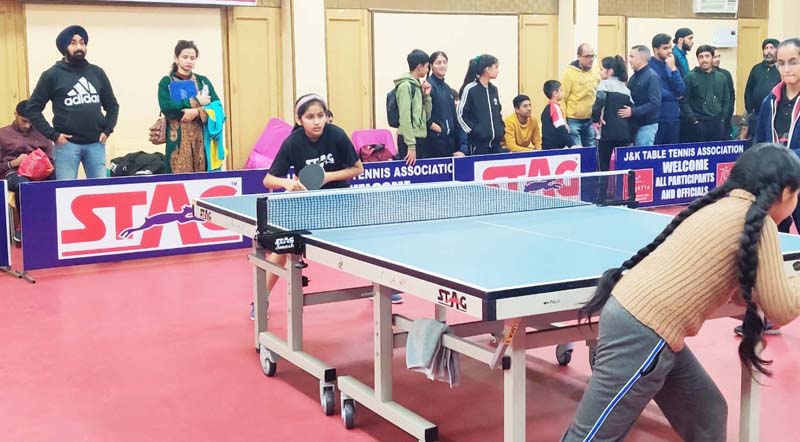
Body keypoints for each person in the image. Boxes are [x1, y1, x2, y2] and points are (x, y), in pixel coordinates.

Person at [562, 143, 800, 441]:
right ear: (787, 193)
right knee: (591, 437)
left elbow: (743, 294)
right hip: (643, 330)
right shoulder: (759, 223)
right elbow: (782, 308)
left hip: (643, 323)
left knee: (708, 412)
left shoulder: (723, 208)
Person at [26, 25, 119, 180]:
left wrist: (108, 129)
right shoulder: (52, 75)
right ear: (64, 47)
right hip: (67, 146)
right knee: (65, 193)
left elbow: (112, 105)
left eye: (82, 43)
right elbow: (32, 109)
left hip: (96, 144)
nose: (79, 47)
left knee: (101, 191)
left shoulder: (97, 73)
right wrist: (54, 135)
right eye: (73, 43)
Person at [158, 40, 221, 173]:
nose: (189, 61)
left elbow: (217, 106)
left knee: (202, 178)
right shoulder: (166, 82)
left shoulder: (202, 81)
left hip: (201, 137)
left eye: (192, 58)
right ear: (176, 58)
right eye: (185, 57)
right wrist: (194, 101)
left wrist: (197, 113)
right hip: (178, 138)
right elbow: (166, 107)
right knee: (177, 180)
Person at [0, 100, 55, 242]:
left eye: (30, 122)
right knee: (23, 184)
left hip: (39, 172)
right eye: (24, 121)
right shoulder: (2, 134)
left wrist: (45, 165)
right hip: (14, 173)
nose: (27, 125)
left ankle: (53, 224)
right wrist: (13, 163)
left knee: (58, 179)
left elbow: (51, 160)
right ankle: (24, 226)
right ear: (15, 114)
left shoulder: (42, 133)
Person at [457, 54, 505, 155]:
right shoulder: (470, 89)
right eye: (496, 67)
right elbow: (461, 114)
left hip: (495, 145)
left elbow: (498, 112)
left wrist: (501, 129)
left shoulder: (494, 90)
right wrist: (475, 131)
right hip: (478, 145)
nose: (498, 70)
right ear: (487, 69)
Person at [681, 45, 730, 142]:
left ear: (712, 58)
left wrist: (723, 118)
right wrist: (693, 120)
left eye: (707, 56)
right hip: (698, 123)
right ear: (698, 59)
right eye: (701, 57)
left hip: (717, 122)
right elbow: (684, 101)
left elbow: (727, 99)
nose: (704, 60)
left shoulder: (721, 77)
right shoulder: (690, 77)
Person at [592, 56, 632, 171]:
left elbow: (599, 101)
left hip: (606, 131)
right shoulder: (626, 89)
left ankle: (603, 189)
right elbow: (631, 106)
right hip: (624, 133)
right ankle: (622, 189)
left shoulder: (604, 84)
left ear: (610, 71)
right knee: (622, 168)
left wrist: (595, 119)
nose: (600, 72)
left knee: (602, 166)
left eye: (601, 69)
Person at [394, 49, 432, 165]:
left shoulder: (417, 86)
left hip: (420, 138)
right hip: (409, 140)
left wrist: (426, 96)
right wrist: (411, 146)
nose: (427, 70)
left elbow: (426, 116)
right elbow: (404, 117)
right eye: (426, 66)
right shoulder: (405, 86)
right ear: (420, 66)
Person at [425, 51, 466, 158]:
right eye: (438, 62)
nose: (442, 65)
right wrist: (440, 129)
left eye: (444, 62)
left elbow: (453, 116)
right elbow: (423, 115)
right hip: (433, 143)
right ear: (431, 66)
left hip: (449, 143)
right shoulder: (428, 86)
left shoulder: (447, 88)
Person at [649, 33, 687, 145]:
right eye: (665, 48)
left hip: (674, 117)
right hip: (658, 118)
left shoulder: (671, 64)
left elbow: (682, 89)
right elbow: (658, 92)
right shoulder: (650, 66)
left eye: (670, 47)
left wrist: (674, 69)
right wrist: (675, 96)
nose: (669, 51)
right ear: (656, 50)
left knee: (672, 154)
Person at [561, 44, 601, 147]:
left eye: (592, 56)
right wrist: (564, 120)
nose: (591, 59)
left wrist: (599, 116)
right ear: (578, 57)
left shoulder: (596, 72)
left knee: (591, 151)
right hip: (573, 119)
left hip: (590, 119)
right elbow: (562, 99)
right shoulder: (569, 73)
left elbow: (599, 95)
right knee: (577, 151)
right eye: (587, 56)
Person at [620, 46, 661, 146]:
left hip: (647, 126)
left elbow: (655, 103)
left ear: (642, 58)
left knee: (643, 159)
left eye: (632, 56)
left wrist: (633, 112)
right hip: (634, 125)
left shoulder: (652, 76)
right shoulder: (634, 77)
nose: (629, 60)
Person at [744, 38, 782, 138]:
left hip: (775, 117)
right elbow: (748, 90)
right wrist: (749, 111)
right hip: (756, 116)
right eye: (766, 48)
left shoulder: (782, 70)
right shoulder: (756, 69)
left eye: (772, 48)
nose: (768, 51)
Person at [541, 80, 576, 150]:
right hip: (554, 148)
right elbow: (560, 128)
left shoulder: (549, 108)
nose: (563, 92)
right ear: (555, 93)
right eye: (561, 90)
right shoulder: (554, 107)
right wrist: (572, 145)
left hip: (548, 147)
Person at [713, 52, 736, 140]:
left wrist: (728, 113)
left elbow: (731, 95)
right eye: (715, 57)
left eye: (719, 56)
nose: (718, 59)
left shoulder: (726, 74)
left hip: (725, 119)